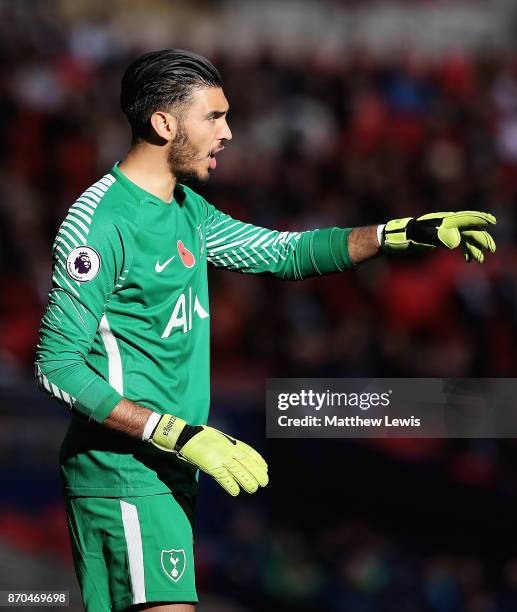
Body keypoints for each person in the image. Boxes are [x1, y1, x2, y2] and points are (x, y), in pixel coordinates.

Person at [35, 49, 497, 612]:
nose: (228, 133)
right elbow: (57, 365)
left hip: (165, 470)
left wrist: (394, 234)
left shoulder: (189, 211)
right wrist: (176, 434)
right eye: (214, 117)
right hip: (126, 473)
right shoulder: (99, 224)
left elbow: (286, 252)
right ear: (163, 123)